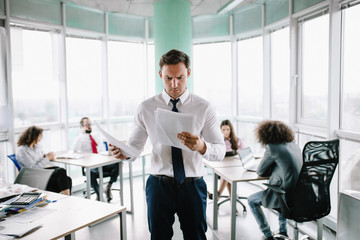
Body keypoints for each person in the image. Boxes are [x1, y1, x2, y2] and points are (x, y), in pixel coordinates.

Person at [110, 49, 226, 240]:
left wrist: (201, 146)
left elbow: (220, 151)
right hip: (158, 185)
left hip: (193, 185)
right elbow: (135, 147)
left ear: (188, 73)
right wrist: (124, 153)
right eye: (168, 78)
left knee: (196, 237)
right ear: (160, 75)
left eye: (180, 77)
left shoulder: (203, 107)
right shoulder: (146, 107)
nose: (174, 84)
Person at [248, 120, 302, 240]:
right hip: (301, 193)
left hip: (285, 195)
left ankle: (267, 235)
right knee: (280, 193)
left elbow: (261, 172)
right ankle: (283, 231)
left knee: (252, 200)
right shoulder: (293, 145)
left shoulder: (272, 148)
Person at [73, 117, 119, 202]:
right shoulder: (80, 138)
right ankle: (99, 194)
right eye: (87, 124)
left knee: (118, 163)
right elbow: (74, 149)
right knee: (90, 172)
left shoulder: (96, 135)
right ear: (82, 126)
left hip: (101, 162)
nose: (89, 126)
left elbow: (103, 146)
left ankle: (108, 187)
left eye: (90, 124)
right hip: (90, 165)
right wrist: (82, 134)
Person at [16, 126, 72, 195]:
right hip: (33, 176)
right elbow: (33, 168)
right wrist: (47, 158)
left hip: (41, 172)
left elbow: (40, 157)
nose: (41, 138)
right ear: (34, 136)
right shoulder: (22, 151)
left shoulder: (36, 146)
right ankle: (67, 199)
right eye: (40, 136)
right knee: (61, 171)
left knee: (67, 179)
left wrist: (46, 156)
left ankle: (66, 200)